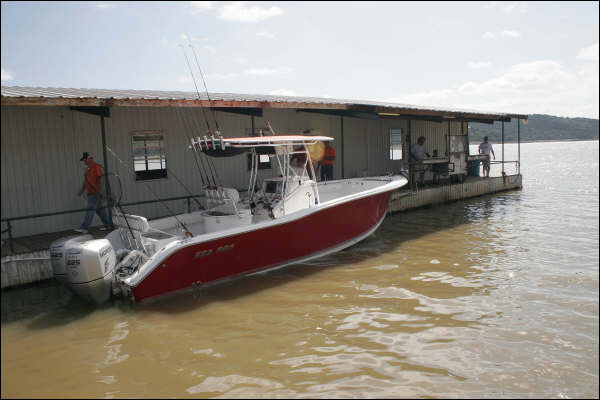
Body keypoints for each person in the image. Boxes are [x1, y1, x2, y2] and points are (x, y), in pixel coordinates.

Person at [75, 152, 111, 233]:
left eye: (84, 160)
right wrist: (81, 190)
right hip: (91, 192)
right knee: (100, 210)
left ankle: (84, 228)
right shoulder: (88, 169)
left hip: (95, 193)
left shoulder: (96, 167)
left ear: (89, 158)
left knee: (90, 210)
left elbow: (101, 178)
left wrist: (100, 191)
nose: (84, 162)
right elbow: (86, 181)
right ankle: (108, 225)